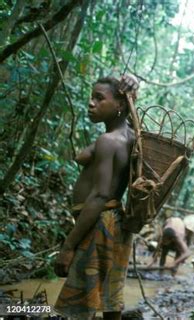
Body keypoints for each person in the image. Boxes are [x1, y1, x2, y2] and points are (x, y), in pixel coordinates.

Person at [54, 75, 139, 320]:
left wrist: (68, 247)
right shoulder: (130, 138)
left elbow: (100, 195)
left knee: (81, 307)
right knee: (109, 301)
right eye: (91, 97)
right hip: (116, 227)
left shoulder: (108, 141)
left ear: (120, 104)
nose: (91, 103)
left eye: (99, 98)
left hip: (99, 225)